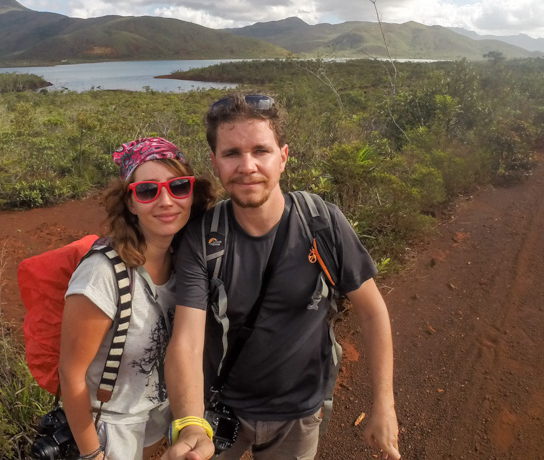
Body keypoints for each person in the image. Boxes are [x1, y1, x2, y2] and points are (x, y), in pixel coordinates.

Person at [163, 93, 401, 460]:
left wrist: (384, 404)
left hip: (299, 411)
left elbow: (372, 311)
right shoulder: (203, 238)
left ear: (283, 157)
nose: (247, 166)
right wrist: (191, 423)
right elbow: (187, 342)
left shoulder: (322, 223)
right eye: (231, 154)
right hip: (219, 406)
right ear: (214, 162)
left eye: (261, 150)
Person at [59, 137, 217, 460]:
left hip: (153, 425)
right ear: (130, 203)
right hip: (108, 433)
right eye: (147, 191)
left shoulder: (187, 264)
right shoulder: (103, 275)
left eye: (178, 187)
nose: (166, 201)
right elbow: (70, 374)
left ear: (192, 194)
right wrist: (93, 455)